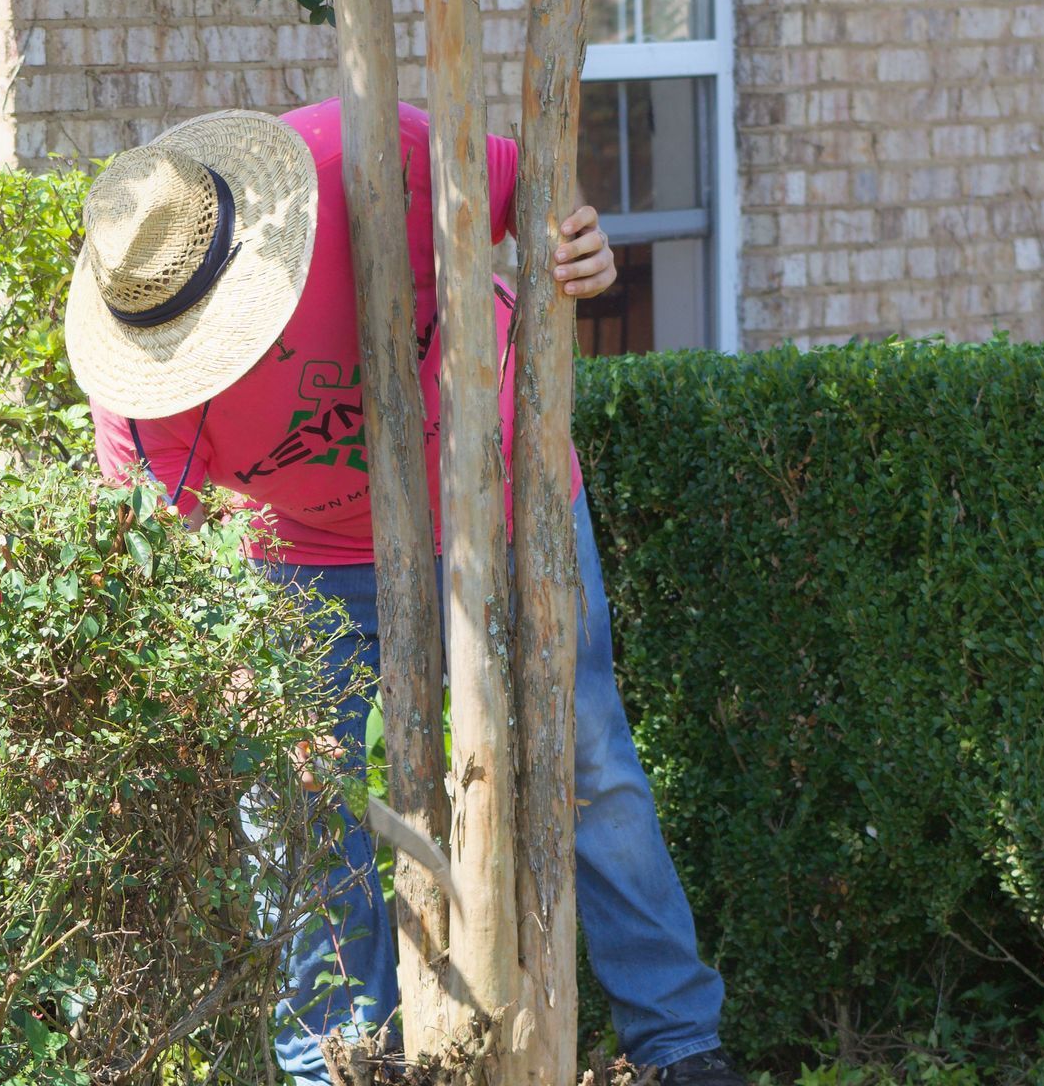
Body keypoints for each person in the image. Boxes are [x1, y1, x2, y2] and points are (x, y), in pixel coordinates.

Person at [63, 102, 742, 1086]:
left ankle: (679, 1044)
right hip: (302, 554)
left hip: (498, 490)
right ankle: (341, 1062)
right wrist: (230, 669)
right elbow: (168, 555)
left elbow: (527, 191)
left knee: (584, 749)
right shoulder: (138, 385)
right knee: (289, 808)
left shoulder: (368, 160)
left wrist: (582, 243)